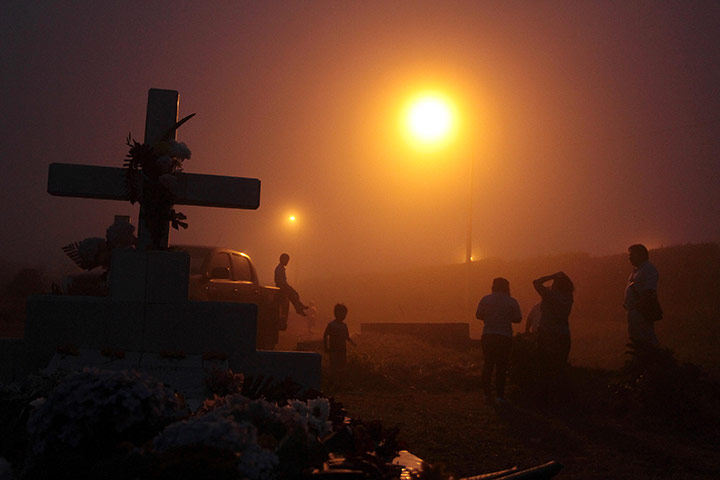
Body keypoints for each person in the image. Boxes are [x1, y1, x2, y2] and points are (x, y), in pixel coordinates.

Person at [476, 277, 522, 404]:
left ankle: (487, 394)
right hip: (504, 335)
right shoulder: (512, 301)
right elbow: (518, 319)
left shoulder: (485, 299)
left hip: (488, 334)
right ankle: (500, 395)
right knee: (502, 366)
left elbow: (478, 315)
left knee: (488, 364)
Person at [532, 272, 574, 370]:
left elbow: (536, 282)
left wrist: (552, 276)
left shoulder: (550, 296)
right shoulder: (569, 297)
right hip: (563, 333)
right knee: (559, 366)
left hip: (547, 333)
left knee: (545, 365)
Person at [623, 244, 660, 347]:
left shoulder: (648, 269)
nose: (629, 258)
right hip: (635, 310)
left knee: (645, 336)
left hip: (641, 311)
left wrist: (640, 306)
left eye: (631, 255)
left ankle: (652, 358)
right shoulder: (638, 270)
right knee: (636, 336)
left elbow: (649, 291)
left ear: (640, 255)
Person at [323, 303, 356, 379]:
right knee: (334, 365)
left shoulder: (344, 326)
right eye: (343, 314)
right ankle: (334, 379)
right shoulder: (331, 325)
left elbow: (346, 337)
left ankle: (340, 379)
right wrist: (326, 347)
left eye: (345, 314)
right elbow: (325, 335)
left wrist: (352, 342)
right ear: (336, 313)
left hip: (342, 349)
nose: (344, 316)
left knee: (342, 365)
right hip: (333, 349)